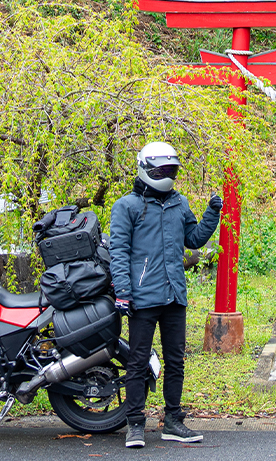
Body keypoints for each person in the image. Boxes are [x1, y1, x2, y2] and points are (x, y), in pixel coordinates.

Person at [109, 142, 222, 449]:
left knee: (175, 361)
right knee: (137, 362)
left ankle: (173, 421)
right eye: (162, 170)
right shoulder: (126, 206)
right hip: (142, 297)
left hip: (174, 295)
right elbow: (118, 252)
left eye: (171, 170)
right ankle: (134, 424)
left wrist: (212, 213)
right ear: (146, 169)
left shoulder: (179, 203)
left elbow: (194, 238)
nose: (167, 175)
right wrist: (123, 292)